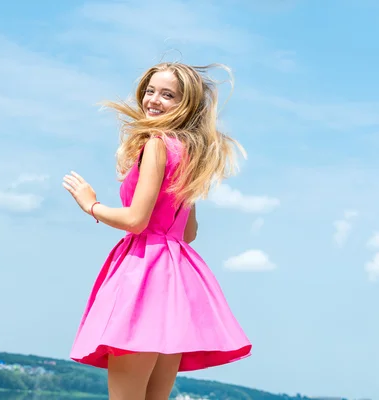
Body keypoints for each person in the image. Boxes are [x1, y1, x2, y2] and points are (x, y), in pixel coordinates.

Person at [62, 62, 252, 400]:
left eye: (168, 95)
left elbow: (136, 220)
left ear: (186, 104)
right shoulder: (190, 153)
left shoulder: (157, 144)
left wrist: (90, 204)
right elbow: (188, 231)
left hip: (143, 275)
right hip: (176, 280)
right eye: (151, 91)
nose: (153, 100)